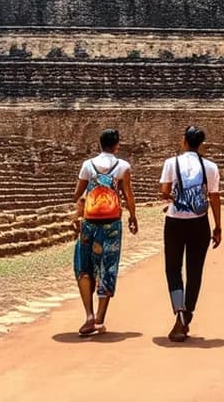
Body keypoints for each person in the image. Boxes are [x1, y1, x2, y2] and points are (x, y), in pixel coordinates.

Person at [71, 128, 137, 337]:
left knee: (84, 265)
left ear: (99, 144)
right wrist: (133, 217)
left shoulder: (87, 165)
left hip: (89, 223)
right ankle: (99, 317)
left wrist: (78, 213)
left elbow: (77, 195)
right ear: (116, 145)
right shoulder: (123, 167)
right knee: (108, 265)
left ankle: (89, 315)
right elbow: (128, 195)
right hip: (112, 224)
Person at [160, 125, 222, 342]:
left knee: (173, 269)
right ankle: (187, 316)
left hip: (175, 222)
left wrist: (175, 198)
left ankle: (179, 313)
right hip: (200, 224)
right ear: (200, 144)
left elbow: (164, 191)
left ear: (183, 141)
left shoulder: (171, 163)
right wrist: (218, 226)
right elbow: (214, 197)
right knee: (195, 271)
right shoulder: (211, 167)